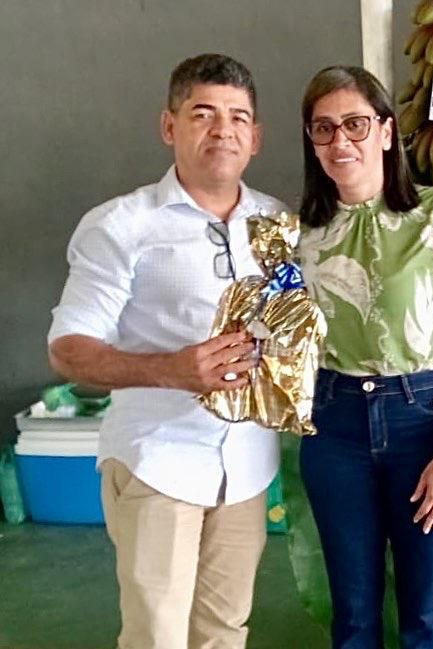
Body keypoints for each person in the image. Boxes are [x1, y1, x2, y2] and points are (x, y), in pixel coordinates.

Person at [47, 53, 284, 649]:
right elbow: (68, 350)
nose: (222, 129)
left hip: (247, 466)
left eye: (237, 117)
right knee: (157, 636)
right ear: (168, 126)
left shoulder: (278, 223)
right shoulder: (121, 226)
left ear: (255, 138)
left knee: (225, 630)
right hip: (158, 463)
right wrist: (171, 370)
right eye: (203, 114)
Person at [297, 65, 433, 649]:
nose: (340, 140)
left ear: (385, 131)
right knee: (353, 615)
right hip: (334, 426)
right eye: (324, 128)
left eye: (355, 124)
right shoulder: (300, 233)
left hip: (424, 421)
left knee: (424, 615)